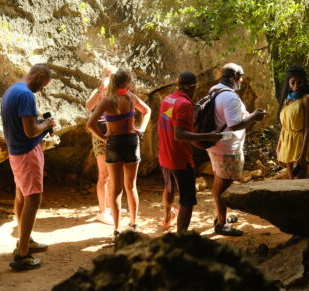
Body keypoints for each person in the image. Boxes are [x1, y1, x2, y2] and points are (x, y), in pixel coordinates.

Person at [1, 64, 56, 271]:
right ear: (40, 76)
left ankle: (26, 239)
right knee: (33, 198)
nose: (42, 89)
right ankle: (22, 253)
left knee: (21, 195)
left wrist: (40, 123)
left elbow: (22, 125)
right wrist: (47, 124)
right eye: (44, 84)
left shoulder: (12, 90)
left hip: (16, 151)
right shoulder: (26, 95)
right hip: (27, 153)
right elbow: (31, 131)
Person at [86, 69, 151, 237]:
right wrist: (141, 130)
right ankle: (134, 223)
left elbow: (90, 124)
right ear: (127, 83)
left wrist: (104, 138)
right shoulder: (131, 98)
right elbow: (147, 111)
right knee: (131, 186)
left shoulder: (107, 101)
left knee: (116, 189)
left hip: (114, 143)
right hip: (131, 141)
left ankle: (117, 228)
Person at [158, 72, 223, 232]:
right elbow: (179, 135)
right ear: (193, 86)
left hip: (164, 155)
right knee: (187, 200)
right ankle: (181, 237)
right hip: (180, 159)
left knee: (169, 188)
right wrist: (209, 135)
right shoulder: (185, 105)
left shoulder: (167, 99)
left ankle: (167, 218)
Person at [207, 63, 266, 237]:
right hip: (227, 149)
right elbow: (234, 126)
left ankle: (220, 216)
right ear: (234, 78)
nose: (241, 81)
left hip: (217, 146)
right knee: (224, 186)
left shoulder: (215, 89)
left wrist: (249, 115)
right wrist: (255, 117)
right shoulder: (230, 97)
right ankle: (221, 224)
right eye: (240, 78)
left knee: (219, 181)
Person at [85, 64, 117, 225]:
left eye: (113, 76)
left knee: (114, 175)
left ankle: (112, 207)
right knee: (104, 175)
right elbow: (89, 106)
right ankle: (102, 211)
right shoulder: (98, 92)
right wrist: (100, 90)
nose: (110, 79)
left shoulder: (118, 93)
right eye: (108, 75)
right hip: (100, 134)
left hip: (115, 134)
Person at [276, 66, 309, 179]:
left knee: (299, 182)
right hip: (287, 142)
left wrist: (302, 155)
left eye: (299, 82)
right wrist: (278, 148)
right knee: (291, 182)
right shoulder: (286, 99)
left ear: (304, 82)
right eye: (292, 82)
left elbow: (308, 128)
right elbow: (284, 127)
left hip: (300, 142)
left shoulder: (306, 99)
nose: (296, 86)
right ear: (288, 82)